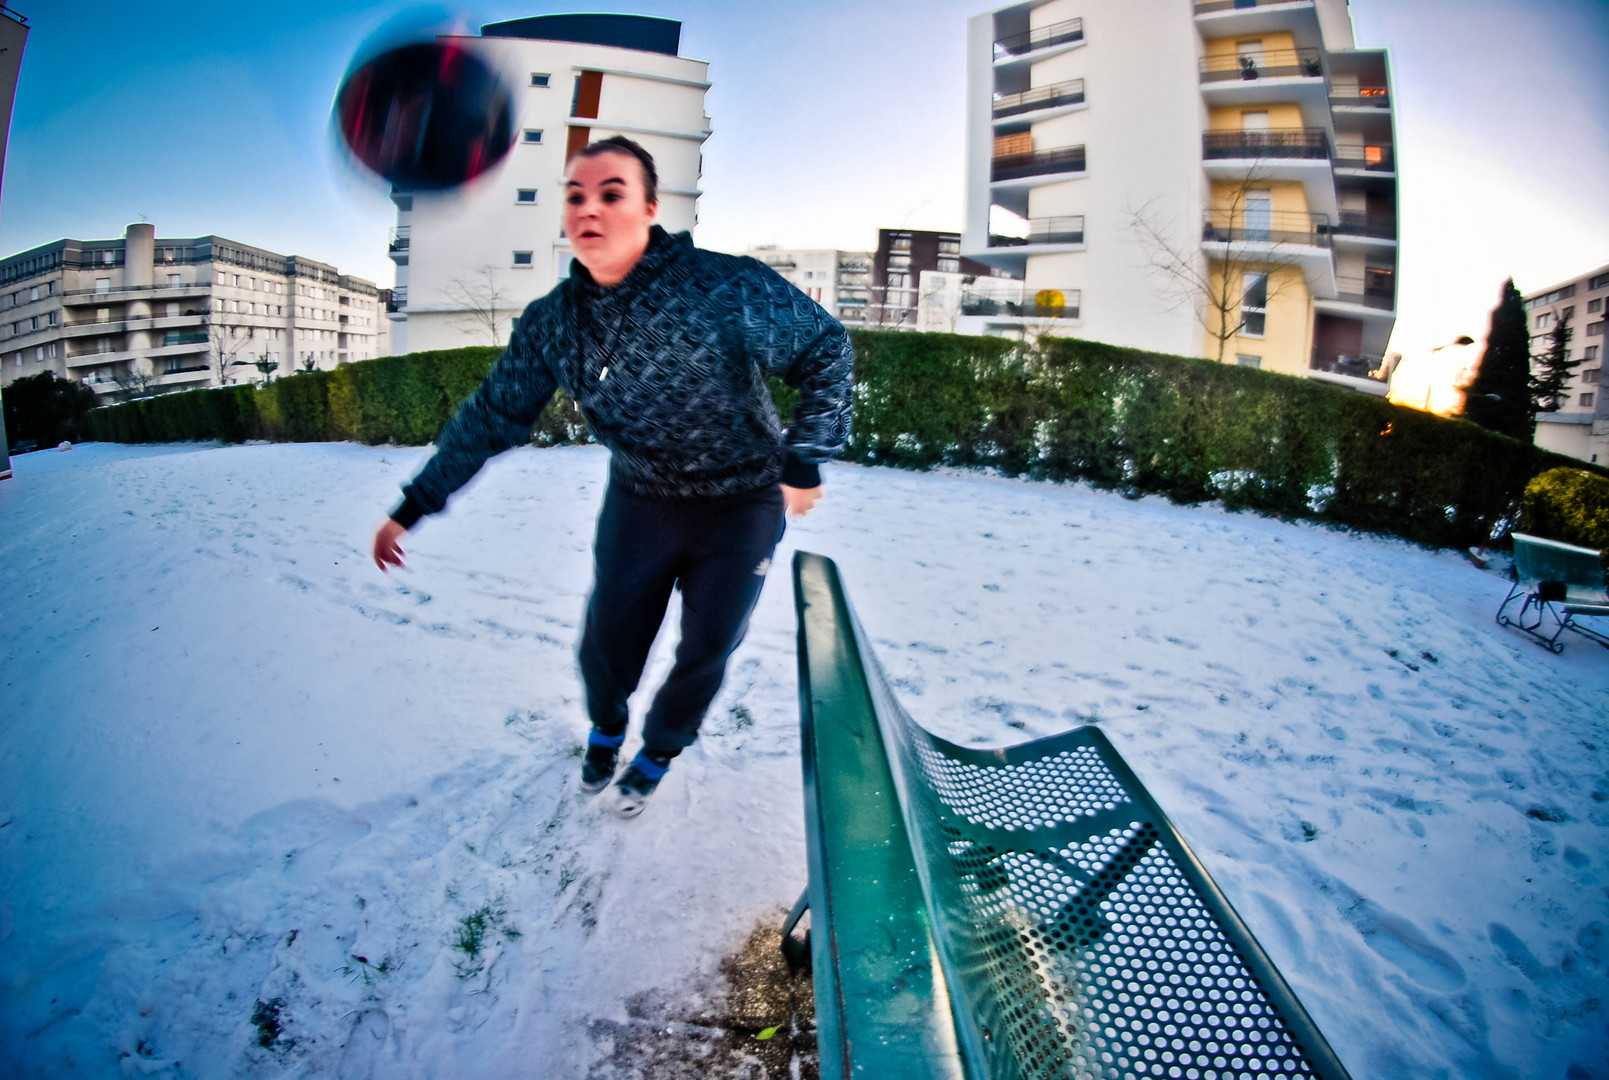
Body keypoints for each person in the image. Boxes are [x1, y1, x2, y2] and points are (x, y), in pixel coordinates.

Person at [371, 136, 853, 818]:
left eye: (610, 193)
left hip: (741, 503)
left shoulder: (724, 286)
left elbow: (825, 348)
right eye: (575, 196)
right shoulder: (553, 324)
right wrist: (416, 503)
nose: (588, 208)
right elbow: (492, 414)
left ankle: (658, 753)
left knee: (707, 646)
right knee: (608, 640)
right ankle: (606, 729)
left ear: (650, 207)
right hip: (641, 501)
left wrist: (804, 456)